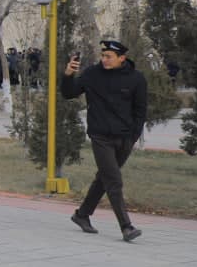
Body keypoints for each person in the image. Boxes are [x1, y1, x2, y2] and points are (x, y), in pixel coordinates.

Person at [62, 39, 148, 241]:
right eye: (103, 55)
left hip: (125, 138)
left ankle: (82, 215)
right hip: (100, 136)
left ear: (122, 58)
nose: (104, 60)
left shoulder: (136, 79)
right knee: (114, 180)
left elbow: (140, 111)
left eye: (109, 57)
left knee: (104, 178)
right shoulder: (92, 74)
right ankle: (126, 227)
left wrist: (133, 136)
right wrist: (68, 74)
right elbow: (68, 93)